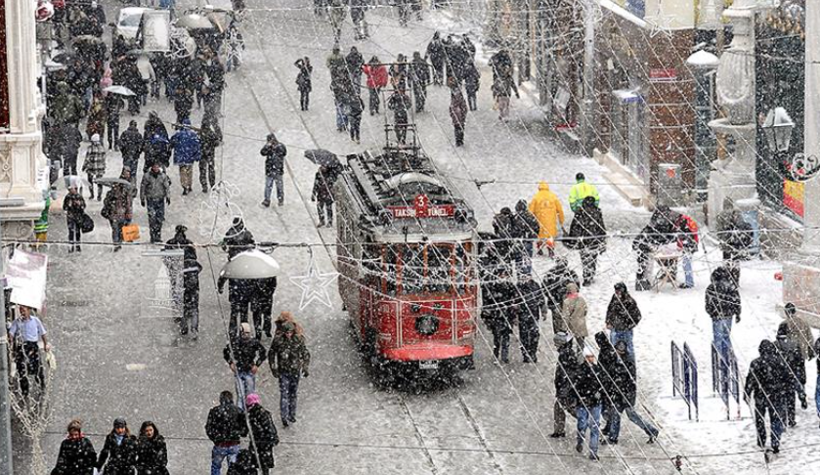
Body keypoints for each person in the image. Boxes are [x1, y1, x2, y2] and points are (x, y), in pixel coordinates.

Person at [597, 336, 658, 445]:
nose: (618, 353)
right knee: (616, 414)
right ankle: (613, 437)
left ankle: (652, 430)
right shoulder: (615, 359)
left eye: (620, 351)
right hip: (619, 394)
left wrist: (625, 393)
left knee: (631, 415)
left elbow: (629, 381)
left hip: (625, 395)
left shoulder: (627, 362)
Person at [744, 340, 789, 453]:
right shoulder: (780, 362)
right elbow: (786, 379)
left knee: (760, 419)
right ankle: (775, 441)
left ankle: (761, 439)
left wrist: (747, 392)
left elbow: (751, 379)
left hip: (760, 395)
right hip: (776, 395)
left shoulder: (755, 363)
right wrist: (785, 391)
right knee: (775, 419)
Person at [705, 266, 741, 397]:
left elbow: (707, 304)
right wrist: (737, 313)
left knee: (718, 338)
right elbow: (737, 301)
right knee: (726, 337)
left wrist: (713, 313)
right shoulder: (731, 287)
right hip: (728, 316)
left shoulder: (711, 288)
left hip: (717, 317)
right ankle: (727, 356)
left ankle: (720, 359)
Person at [269, 320, 311, 426]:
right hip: (283, 371)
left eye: (290, 332)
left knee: (293, 394)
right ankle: (284, 416)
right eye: (286, 332)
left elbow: (305, 353)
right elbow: (271, 353)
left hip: (295, 371)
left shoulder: (299, 340)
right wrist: (273, 368)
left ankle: (291, 415)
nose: (288, 334)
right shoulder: (278, 341)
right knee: (284, 394)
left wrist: (305, 367)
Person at [632, 205, 680, 291]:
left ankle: (645, 280)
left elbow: (646, 234)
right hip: (648, 248)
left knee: (646, 264)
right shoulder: (662, 223)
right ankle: (645, 281)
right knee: (647, 264)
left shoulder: (657, 223)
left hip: (650, 247)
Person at [224, 323, 267, 412]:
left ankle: (250, 413)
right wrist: (231, 363)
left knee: (250, 395)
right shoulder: (235, 342)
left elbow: (263, 353)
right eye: (244, 333)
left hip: (249, 371)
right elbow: (226, 352)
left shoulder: (253, 342)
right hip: (239, 370)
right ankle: (240, 415)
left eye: (247, 333)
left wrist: (257, 364)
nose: (246, 335)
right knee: (241, 395)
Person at [8, 305, 50, 397]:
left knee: (37, 367)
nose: (22, 312)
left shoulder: (35, 320)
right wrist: (10, 341)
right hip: (22, 346)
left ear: (29, 310)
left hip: (33, 346)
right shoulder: (17, 322)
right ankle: (25, 391)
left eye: (24, 310)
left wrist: (46, 343)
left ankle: (41, 387)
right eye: (20, 310)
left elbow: (43, 333)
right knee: (21, 368)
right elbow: (11, 333)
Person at [206, 391, 248, 475]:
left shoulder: (215, 411)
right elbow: (244, 429)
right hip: (234, 444)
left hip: (220, 444)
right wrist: (238, 434)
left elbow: (209, 428)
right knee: (234, 468)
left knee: (216, 467)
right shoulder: (238, 411)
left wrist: (215, 438)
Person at [567, 196, 607, 285]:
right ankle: (591, 274)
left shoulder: (580, 212)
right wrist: (602, 239)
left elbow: (574, 226)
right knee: (593, 258)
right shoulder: (597, 212)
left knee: (585, 259)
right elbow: (601, 226)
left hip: (583, 240)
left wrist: (572, 238)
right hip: (594, 240)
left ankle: (587, 276)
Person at [775, 321, 807, 427]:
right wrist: (802, 375)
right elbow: (800, 361)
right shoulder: (795, 344)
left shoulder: (775, 345)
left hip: (779, 377)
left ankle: (783, 418)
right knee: (791, 398)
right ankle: (791, 418)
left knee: (781, 399)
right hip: (791, 374)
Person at [574, 347, 603, 460]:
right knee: (582, 425)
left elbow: (603, 386)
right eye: (588, 357)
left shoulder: (598, 371)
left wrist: (599, 394)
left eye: (591, 357)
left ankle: (593, 452)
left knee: (594, 427)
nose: (590, 359)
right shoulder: (580, 371)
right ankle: (580, 441)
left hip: (594, 403)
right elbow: (576, 387)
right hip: (584, 402)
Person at [715, 198, 753, 285]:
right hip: (737, 242)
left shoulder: (720, 215)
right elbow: (742, 225)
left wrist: (722, 239)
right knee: (736, 261)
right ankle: (735, 280)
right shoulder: (737, 213)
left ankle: (727, 279)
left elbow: (718, 230)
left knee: (726, 261)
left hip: (726, 243)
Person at [482, 271, 516, 363]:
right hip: (496, 317)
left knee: (506, 338)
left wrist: (513, 314)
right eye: (501, 276)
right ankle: (496, 355)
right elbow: (488, 302)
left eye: (504, 276)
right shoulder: (492, 287)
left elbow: (513, 300)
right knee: (497, 339)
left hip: (507, 316)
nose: (502, 278)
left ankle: (504, 357)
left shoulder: (510, 287)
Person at [543, 257, 580, 334]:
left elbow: (577, 288)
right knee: (557, 322)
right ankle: (559, 340)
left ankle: (568, 340)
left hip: (569, 303)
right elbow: (545, 288)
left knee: (568, 322)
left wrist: (568, 293)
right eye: (560, 262)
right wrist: (554, 294)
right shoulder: (550, 274)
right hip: (555, 302)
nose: (562, 265)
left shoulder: (571, 273)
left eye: (563, 263)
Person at [551, 332, 579, 438]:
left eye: (556, 343)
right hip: (565, 388)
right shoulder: (566, 353)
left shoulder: (566, 355)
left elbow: (568, 374)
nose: (555, 346)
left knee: (569, 409)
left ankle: (590, 423)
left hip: (566, 389)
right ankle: (559, 430)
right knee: (560, 408)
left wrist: (564, 389)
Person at [245, 394, 280, 475]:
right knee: (264, 467)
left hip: (261, 444)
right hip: (264, 444)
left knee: (257, 465)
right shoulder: (263, 413)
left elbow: (262, 429)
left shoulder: (253, 415)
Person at [605, 282, 641, 358]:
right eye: (616, 291)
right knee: (614, 350)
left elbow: (637, 316)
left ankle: (630, 366)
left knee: (628, 350)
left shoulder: (630, 301)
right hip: (614, 329)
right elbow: (610, 310)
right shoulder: (614, 298)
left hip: (625, 331)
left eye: (618, 291)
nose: (617, 293)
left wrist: (628, 326)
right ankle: (615, 366)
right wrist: (608, 321)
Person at [528, 182, 565, 257]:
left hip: (539, 220)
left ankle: (539, 248)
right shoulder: (553, 196)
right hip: (550, 221)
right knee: (550, 235)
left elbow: (530, 211)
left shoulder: (536, 197)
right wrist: (561, 220)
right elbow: (560, 210)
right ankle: (550, 249)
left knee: (540, 235)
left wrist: (530, 222)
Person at [516, 273, 545, 363]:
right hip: (522, 315)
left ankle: (533, 353)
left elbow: (541, 298)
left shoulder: (535, 285)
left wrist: (543, 311)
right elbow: (514, 301)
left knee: (534, 334)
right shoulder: (518, 287)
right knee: (524, 336)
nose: (524, 278)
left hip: (534, 314)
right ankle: (525, 354)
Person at [140, 163, 172, 243]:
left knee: (159, 219)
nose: (156, 168)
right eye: (154, 167)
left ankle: (158, 235)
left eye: (157, 167)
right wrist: (142, 198)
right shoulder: (147, 176)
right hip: (150, 199)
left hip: (160, 199)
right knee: (152, 219)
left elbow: (167, 187)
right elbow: (143, 187)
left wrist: (168, 196)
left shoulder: (163, 176)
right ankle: (153, 236)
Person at [170, 119, 201, 195]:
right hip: (190, 158)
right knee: (189, 172)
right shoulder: (193, 135)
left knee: (182, 172)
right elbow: (197, 146)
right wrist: (197, 156)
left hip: (180, 157)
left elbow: (172, 142)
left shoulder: (178, 134)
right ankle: (189, 185)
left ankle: (185, 186)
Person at [101, 181, 132, 251]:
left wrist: (128, 212)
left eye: (117, 185)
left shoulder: (124, 193)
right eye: (114, 185)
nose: (115, 187)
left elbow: (128, 204)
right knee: (115, 229)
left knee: (121, 230)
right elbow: (106, 203)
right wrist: (111, 199)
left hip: (122, 214)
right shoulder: (110, 194)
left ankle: (119, 242)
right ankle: (116, 243)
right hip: (113, 214)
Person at [511, 199, 540, 273]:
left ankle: (520, 275)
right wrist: (532, 236)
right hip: (528, 241)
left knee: (519, 259)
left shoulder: (515, 218)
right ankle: (527, 274)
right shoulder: (530, 216)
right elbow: (537, 227)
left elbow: (511, 230)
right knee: (527, 259)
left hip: (518, 242)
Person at [260, 133, 287, 207]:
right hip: (270, 170)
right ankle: (267, 200)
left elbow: (284, 153)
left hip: (278, 170)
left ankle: (280, 199)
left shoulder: (280, 146)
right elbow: (262, 153)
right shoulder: (268, 147)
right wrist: (267, 147)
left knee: (279, 187)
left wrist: (276, 148)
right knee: (268, 186)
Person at [675, 212, 699, 289]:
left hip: (689, 245)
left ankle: (689, 283)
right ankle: (689, 281)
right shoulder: (686, 220)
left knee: (686, 264)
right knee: (686, 263)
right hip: (691, 244)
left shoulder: (683, 221)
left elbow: (682, 235)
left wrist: (681, 244)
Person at [182, 253, 202, 338]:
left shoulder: (182, 264)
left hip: (185, 290)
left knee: (184, 309)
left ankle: (184, 327)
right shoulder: (196, 264)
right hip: (194, 290)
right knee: (194, 310)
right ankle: (194, 329)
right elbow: (200, 268)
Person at [199, 119, 223, 192]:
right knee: (211, 170)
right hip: (210, 154)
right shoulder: (211, 133)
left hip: (202, 154)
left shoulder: (200, 133)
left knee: (202, 170)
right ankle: (212, 184)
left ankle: (204, 186)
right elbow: (217, 142)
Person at [63, 180, 87, 253]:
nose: (71, 190)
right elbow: (64, 207)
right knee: (71, 231)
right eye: (70, 189)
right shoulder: (67, 197)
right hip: (70, 216)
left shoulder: (79, 196)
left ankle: (78, 245)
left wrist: (79, 204)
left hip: (78, 216)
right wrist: (68, 206)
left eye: (72, 189)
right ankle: (71, 246)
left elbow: (84, 206)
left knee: (77, 232)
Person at [82, 133, 106, 200]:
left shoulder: (90, 148)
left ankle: (92, 194)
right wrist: (103, 165)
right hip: (100, 168)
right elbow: (104, 158)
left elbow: (87, 158)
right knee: (100, 182)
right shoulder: (102, 148)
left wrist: (84, 166)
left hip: (91, 167)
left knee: (90, 181)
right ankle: (99, 195)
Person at [448, 82, 467, 147]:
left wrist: (452, 115)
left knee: (457, 129)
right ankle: (460, 140)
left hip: (457, 118)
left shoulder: (453, 101)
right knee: (460, 128)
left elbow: (450, 109)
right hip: (460, 118)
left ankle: (458, 140)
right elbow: (464, 107)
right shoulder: (460, 100)